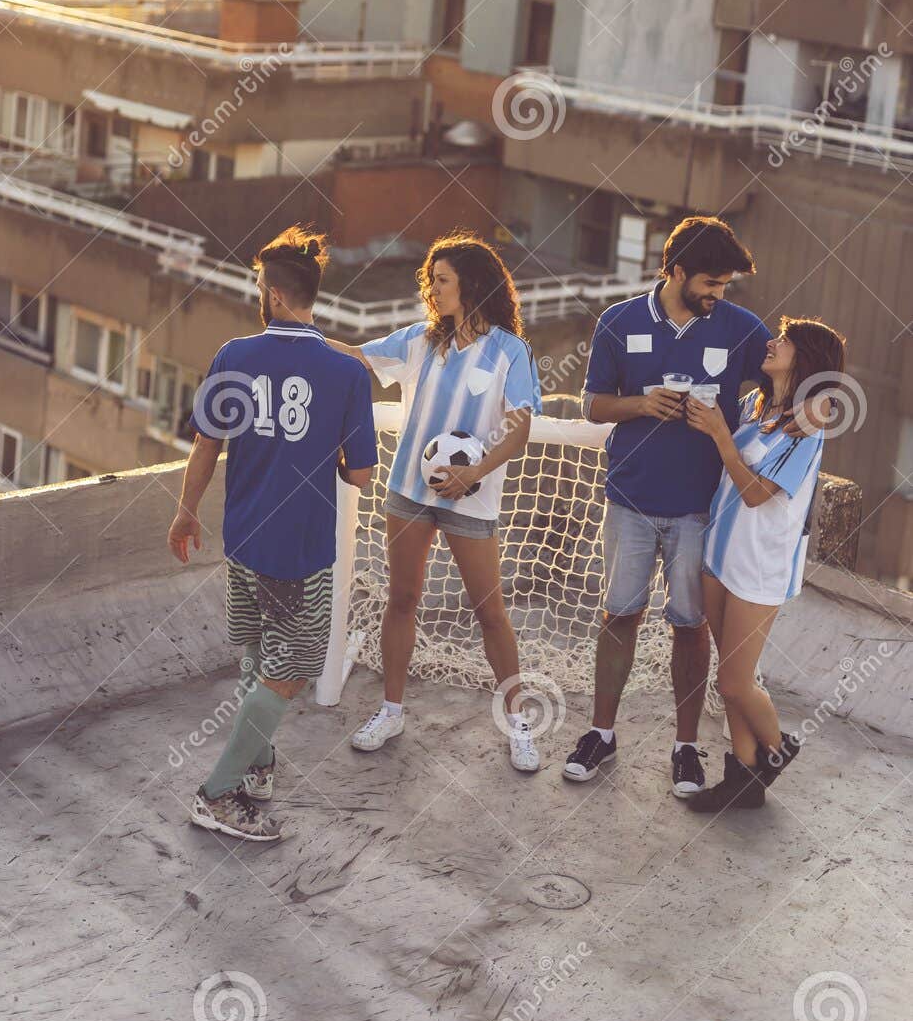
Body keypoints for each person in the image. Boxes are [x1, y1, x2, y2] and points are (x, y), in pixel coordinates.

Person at [167, 226, 377, 843]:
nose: (258, 295)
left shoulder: (234, 356)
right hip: (300, 548)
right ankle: (217, 793)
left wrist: (185, 511)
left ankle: (257, 767)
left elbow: (207, 444)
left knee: (259, 656)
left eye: (261, 286)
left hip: (244, 540)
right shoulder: (345, 372)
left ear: (278, 296)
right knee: (292, 670)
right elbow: (360, 473)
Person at [564, 215, 780, 798]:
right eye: (712, 282)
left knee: (690, 627)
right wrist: (640, 404)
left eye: (727, 286)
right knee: (620, 617)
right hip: (630, 500)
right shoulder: (619, 320)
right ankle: (601, 734)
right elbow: (592, 406)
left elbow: (787, 377)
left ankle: (685, 748)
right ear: (677, 271)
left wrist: (772, 425)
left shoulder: (741, 328)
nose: (719, 294)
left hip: (701, 510)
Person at [328, 232, 543, 771]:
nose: (433, 290)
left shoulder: (509, 351)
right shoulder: (420, 341)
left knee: (489, 612)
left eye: (441, 280)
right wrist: (301, 336)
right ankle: (391, 710)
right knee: (401, 600)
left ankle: (518, 724)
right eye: (431, 280)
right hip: (407, 492)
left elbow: (518, 430)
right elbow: (356, 359)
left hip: (471, 499)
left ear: (470, 284)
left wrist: (473, 472)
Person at [683, 316, 845, 812]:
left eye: (786, 341)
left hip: (760, 567)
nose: (772, 343)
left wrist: (719, 434)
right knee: (729, 675)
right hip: (719, 551)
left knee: (734, 681)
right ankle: (745, 778)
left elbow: (755, 494)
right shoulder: (756, 404)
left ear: (807, 361)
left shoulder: (807, 428)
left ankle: (777, 750)